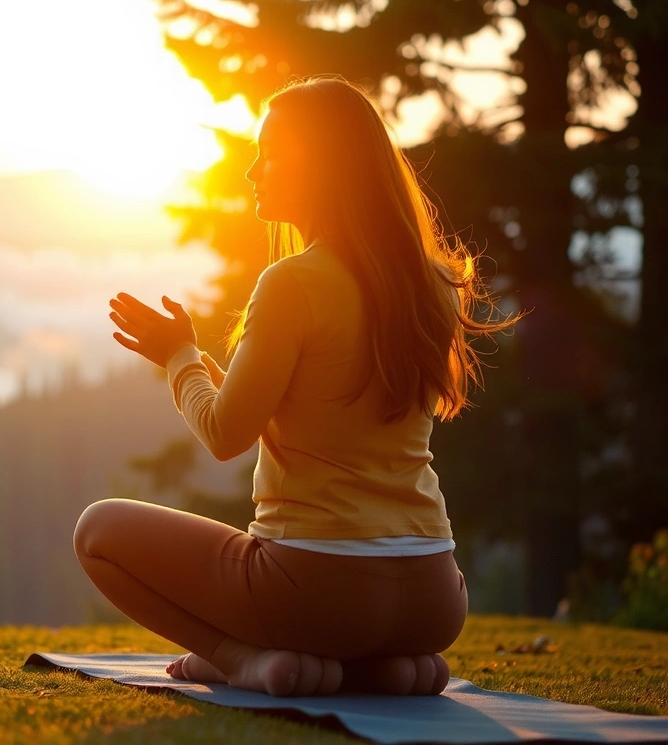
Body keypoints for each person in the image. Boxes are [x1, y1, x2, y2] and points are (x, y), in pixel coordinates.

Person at [73, 76, 521, 697]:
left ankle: (240, 659)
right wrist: (194, 357)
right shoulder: (432, 282)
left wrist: (180, 358)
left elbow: (227, 434)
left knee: (98, 531)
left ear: (320, 167)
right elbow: (293, 408)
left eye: (270, 152)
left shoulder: (293, 283)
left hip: (318, 590)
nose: (253, 170)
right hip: (433, 595)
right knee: (392, 653)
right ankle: (389, 666)